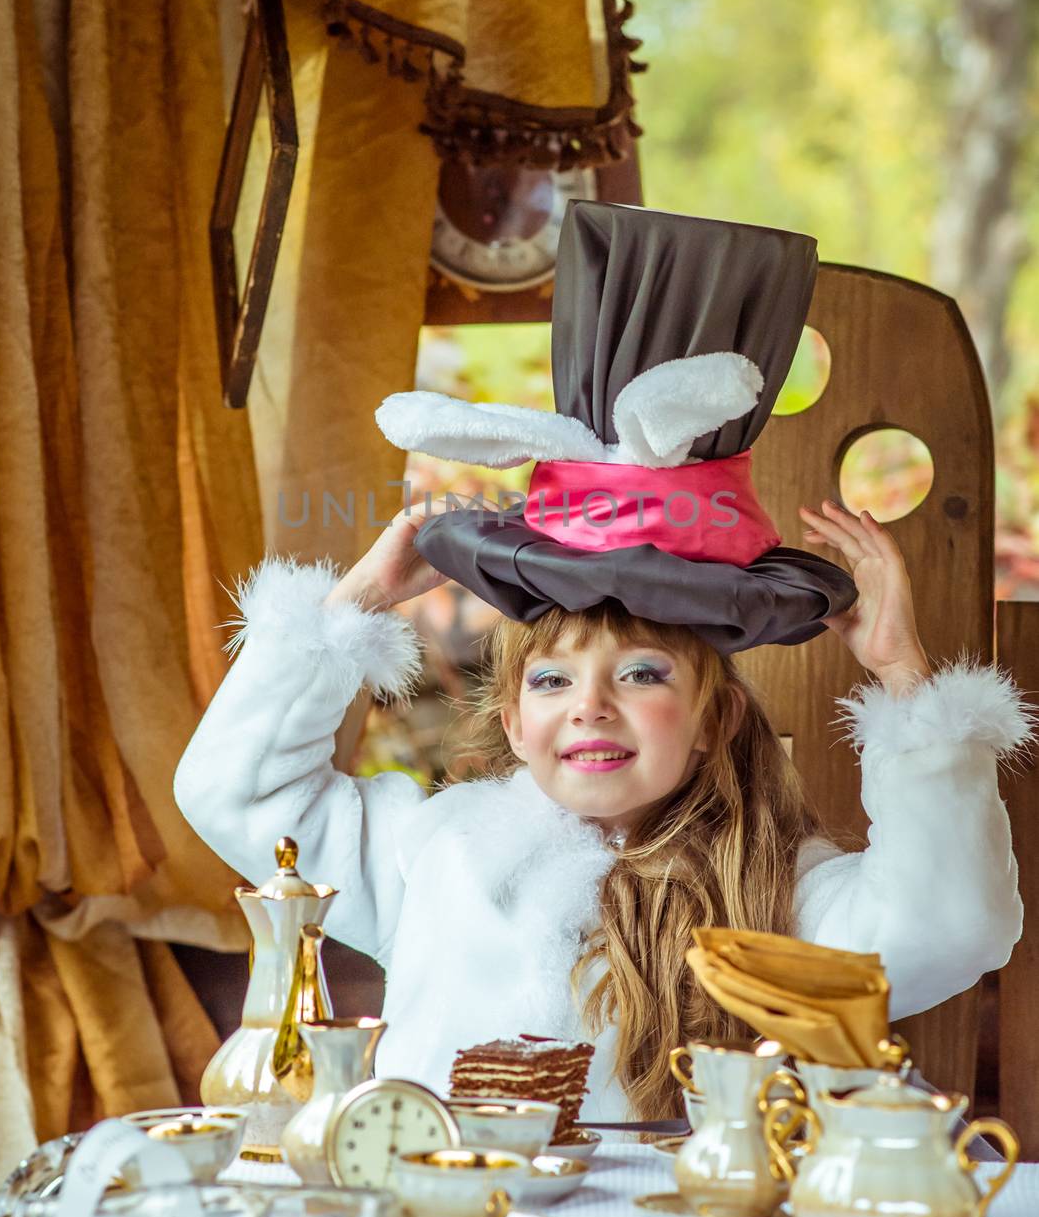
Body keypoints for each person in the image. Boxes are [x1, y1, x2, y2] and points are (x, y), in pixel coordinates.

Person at [174, 202, 1036, 1124]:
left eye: (642, 674)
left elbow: (950, 928)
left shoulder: (773, 888)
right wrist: (347, 614)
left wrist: (904, 679)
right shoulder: (439, 855)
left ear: (713, 721)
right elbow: (236, 793)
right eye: (551, 680)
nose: (589, 707)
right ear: (511, 720)